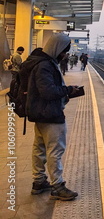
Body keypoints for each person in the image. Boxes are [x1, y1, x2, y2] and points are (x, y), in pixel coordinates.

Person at [23, 33, 79, 201]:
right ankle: (58, 186)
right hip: (50, 113)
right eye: (64, 51)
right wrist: (68, 90)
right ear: (57, 49)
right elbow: (48, 91)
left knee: (39, 148)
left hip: (40, 112)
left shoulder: (40, 62)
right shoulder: (45, 65)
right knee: (55, 150)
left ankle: (39, 182)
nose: (65, 55)